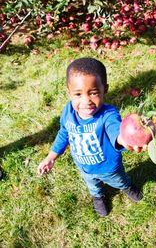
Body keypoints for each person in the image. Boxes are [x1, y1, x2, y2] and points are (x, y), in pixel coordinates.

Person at [37, 57, 147, 217]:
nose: (86, 101)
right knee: (93, 185)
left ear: (105, 89)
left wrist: (126, 139)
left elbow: (116, 134)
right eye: (78, 94)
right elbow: (64, 133)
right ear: (69, 93)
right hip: (84, 167)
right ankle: (98, 196)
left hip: (109, 168)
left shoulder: (108, 115)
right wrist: (51, 157)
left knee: (120, 181)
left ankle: (127, 187)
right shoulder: (68, 112)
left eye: (93, 93)